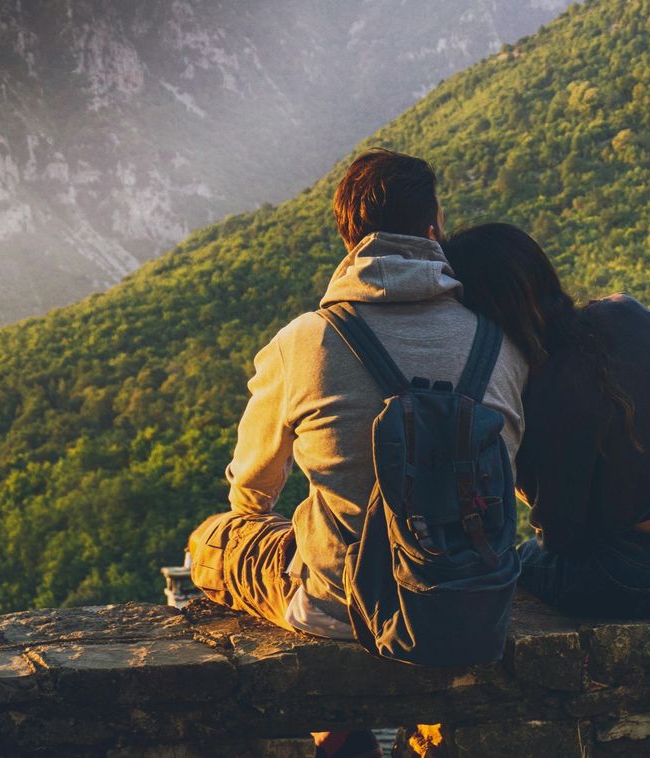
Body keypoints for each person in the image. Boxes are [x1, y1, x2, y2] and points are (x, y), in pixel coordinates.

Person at [185, 150, 528, 757]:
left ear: (349, 238)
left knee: (212, 539)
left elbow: (252, 488)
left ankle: (337, 736)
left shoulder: (304, 340)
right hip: (469, 598)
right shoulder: (499, 342)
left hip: (338, 606)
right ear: (434, 228)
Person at [442, 223, 650, 619]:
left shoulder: (544, 390)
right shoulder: (625, 311)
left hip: (641, 577)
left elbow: (563, 540)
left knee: (516, 562)